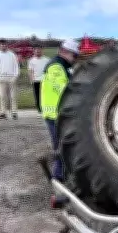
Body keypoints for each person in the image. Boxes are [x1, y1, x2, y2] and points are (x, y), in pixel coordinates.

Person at [40, 39, 80, 182]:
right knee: (60, 146)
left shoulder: (61, 66)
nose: (75, 59)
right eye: (74, 56)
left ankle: (62, 174)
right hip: (55, 114)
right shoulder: (56, 67)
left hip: (57, 113)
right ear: (64, 51)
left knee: (62, 145)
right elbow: (63, 90)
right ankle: (58, 176)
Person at [0, 40, 20, 120]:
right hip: (1, 78)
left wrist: (15, 76)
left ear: (7, 45)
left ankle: (14, 112)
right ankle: (3, 113)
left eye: (4, 45)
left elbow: (16, 66)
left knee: (13, 96)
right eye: (1, 45)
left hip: (11, 78)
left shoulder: (12, 54)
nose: (3, 46)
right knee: (2, 96)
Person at [27, 46, 50, 113]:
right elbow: (30, 71)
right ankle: (39, 109)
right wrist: (31, 79)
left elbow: (49, 70)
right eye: (36, 50)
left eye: (39, 50)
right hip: (36, 80)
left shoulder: (47, 59)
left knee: (45, 95)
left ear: (42, 51)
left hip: (45, 80)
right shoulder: (31, 60)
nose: (38, 51)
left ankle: (46, 107)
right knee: (37, 95)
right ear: (34, 51)